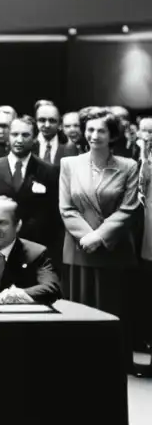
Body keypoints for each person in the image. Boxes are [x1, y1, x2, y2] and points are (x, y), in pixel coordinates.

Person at [59, 107, 140, 354]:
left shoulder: (128, 166)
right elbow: (66, 207)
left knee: (113, 311)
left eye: (101, 130)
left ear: (112, 135)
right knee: (80, 311)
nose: (94, 135)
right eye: (90, 129)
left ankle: (112, 364)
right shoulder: (69, 163)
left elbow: (129, 208)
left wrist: (99, 236)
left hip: (113, 250)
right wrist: (86, 236)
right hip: (79, 248)